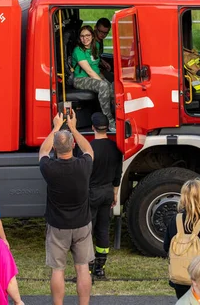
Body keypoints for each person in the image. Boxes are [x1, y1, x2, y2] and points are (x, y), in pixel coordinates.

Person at [39, 110, 94, 305]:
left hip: (58, 226)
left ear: (55, 147)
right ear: (72, 145)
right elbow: (89, 150)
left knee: (57, 270)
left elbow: (43, 152)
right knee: (82, 267)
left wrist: (56, 127)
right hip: (81, 225)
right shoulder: (84, 165)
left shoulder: (49, 168)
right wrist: (73, 128)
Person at [88, 112, 122, 279]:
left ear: (92, 127)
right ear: (107, 128)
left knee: (88, 231)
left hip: (92, 193)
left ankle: (87, 269)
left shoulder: (89, 148)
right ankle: (100, 268)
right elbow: (118, 174)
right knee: (103, 230)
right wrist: (115, 193)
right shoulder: (115, 148)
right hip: (108, 192)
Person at [71, 25, 115, 130]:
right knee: (104, 86)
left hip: (94, 76)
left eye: (87, 35)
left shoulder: (95, 46)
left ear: (92, 36)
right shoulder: (78, 51)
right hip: (80, 79)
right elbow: (90, 71)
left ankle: (116, 114)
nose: (84, 38)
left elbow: (95, 64)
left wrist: (104, 64)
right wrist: (103, 83)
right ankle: (109, 121)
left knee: (113, 86)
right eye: (82, 36)